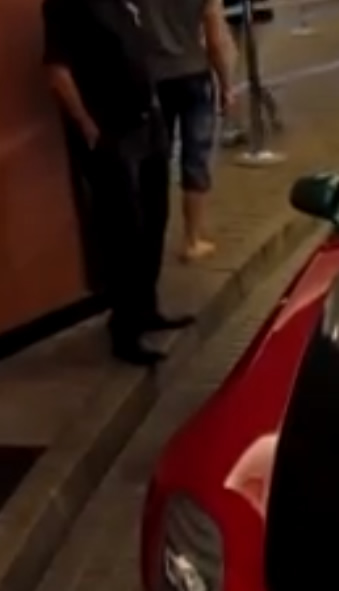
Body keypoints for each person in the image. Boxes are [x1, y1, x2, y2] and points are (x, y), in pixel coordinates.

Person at [43, 0, 192, 366]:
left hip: (147, 123)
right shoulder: (67, 6)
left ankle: (147, 307)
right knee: (124, 229)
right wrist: (87, 126)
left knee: (155, 216)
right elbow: (56, 70)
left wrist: (155, 105)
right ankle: (125, 331)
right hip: (111, 131)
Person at [141, 0, 237, 262]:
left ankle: (151, 242)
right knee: (196, 158)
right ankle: (192, 240)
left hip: (152, 79)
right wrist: (227, 86)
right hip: (193, 73)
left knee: (156, 161)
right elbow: (216, 40)